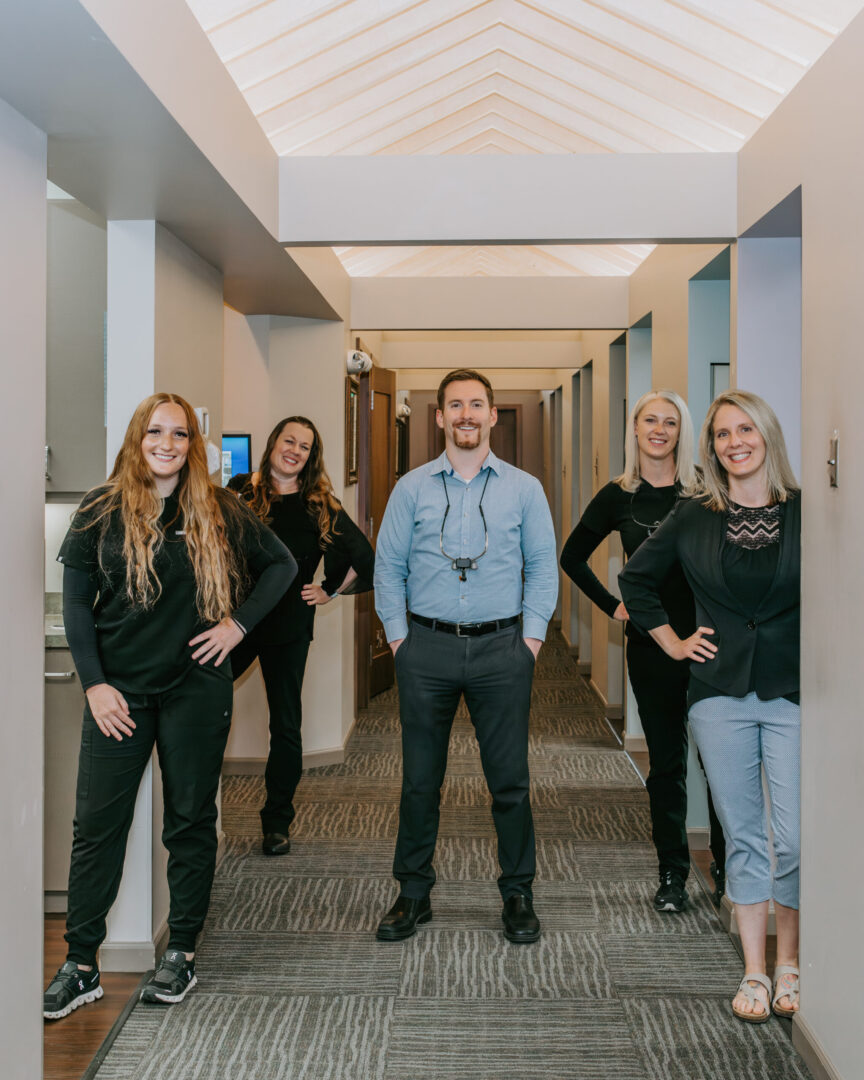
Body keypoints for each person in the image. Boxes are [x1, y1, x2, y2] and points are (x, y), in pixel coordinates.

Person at [43, 393, 297, 1020]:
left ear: (192, 444)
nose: (167, 443)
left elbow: (281, 565)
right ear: (138, 437)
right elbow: (76, 605)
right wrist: (95, 685)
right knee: (97, 827)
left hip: (194, 691)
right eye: (156, 431)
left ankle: (180, 950)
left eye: (180, 434)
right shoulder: (99, 509)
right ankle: (81, 964)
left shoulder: (217, 507)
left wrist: (237, 626)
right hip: (118, 696)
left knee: (188, 822)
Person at [620, 389, 800, 1023]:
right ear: (712, 447)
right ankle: (755, 968)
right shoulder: (695, 515)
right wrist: (673, 642)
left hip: (793, 694)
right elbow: (635, 579)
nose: (734, 443)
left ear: (767, 435)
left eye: (745, 430)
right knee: (744, 835)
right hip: (719, 695)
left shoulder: (806, 513)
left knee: (795, 837)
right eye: (723, 434)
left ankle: (791, 961)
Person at [373, 369, 558, 944]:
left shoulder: (524, 489)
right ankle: (412, 892)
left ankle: (518, 893)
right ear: (439, 417)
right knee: (419, 781)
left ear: (492, 415)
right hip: (425, 649)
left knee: (509, 781)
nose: (466, 415)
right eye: (455, 405)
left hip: (502, 650)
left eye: (476, 404)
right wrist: (400, 641)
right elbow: (388, 567)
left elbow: (542, 567)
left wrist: (530, 643)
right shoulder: (411, 488)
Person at [560, 389, 726, 914]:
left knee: (719, 760)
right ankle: (673, 873)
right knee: (667, 764)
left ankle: (727, 870)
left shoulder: (706, 490)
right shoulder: (618, 496)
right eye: (650, 420)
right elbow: (572, 557)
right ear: (634, 428)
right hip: (651, 646)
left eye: (670, 422)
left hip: (708, 644)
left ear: (682, 431)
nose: (659, 430)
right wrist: (615, 607)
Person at [227, 416, 374, 855]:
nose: (295, 450)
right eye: (289, 441)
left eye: (305, 446)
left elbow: (365, 558)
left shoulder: (319, 505)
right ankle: (199, 809)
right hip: (235, 623)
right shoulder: (240, 491)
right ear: (273, 443)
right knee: (203, 704)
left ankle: (277, 823)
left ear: (311, 457)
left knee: (286, 726)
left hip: (289, 626)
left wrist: (329, 590)